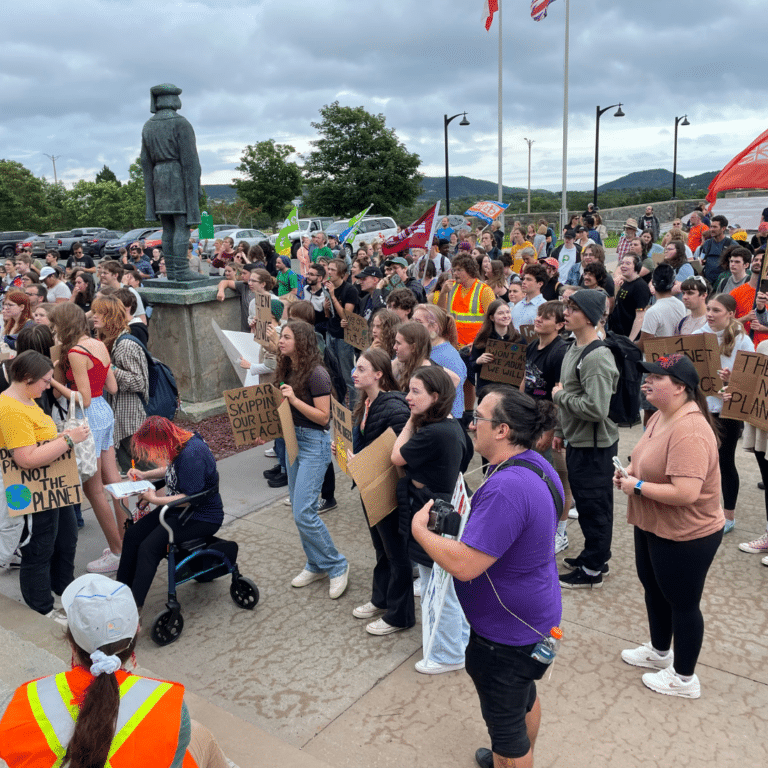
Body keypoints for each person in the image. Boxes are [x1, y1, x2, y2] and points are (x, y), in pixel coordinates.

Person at [411, 386, 562, 768]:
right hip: (534, 616)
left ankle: (512, 759)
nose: (471, 423)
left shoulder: (507, 488)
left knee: (507, 734)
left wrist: (421, 533)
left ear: (502, 431)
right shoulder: (536, 464)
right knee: (522, 696)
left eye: (479, 417)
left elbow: (465, 564)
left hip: (505, 632)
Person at [0, 572, 230, 768]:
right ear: (136, 632)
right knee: (201, 735)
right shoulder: (170, 710)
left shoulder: (24, 701)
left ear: (71, 641)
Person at [615, 354, 723, 699]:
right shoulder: (661, 416)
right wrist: (630, 473)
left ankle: (684, 678)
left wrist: (639, 488)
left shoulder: (690, 429)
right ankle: (660, 652)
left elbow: (686, 492)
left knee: (682, 602)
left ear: (679, 388)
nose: (647, 382)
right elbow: (643, 460)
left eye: (657, 378)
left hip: (687, 533)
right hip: (654, 523)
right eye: (648, 376)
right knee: (654, 587)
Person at [391, 366, 473, 674]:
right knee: (442, 585)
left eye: (415, 392)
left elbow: (396, 456)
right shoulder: (453, 427)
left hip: (434, 520)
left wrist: (411, 420)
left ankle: (448, 655)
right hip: (448, 515)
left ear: (435, 397)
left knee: (437, 588)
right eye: (408, 390)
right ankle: (458, 643)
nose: (408, 397)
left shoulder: (432, 431)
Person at [0, 351, 89, 616]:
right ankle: (42, 608)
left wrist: (61, 438)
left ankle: (63, 589)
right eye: (46, 380)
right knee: (39, 547)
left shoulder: (25, 398)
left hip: (51, 486)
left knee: (66, 538)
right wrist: (69, 440)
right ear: (27, 379)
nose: (49, 386)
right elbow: (25, 458)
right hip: (32, 489)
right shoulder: (11, 409)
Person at [274, 320, 349, 598]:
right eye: (281, 336)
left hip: (313, 445)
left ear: (302, 341)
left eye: (287, 337)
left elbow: (323, 417)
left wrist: (293, 399)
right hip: (292, 440)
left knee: (304, 511)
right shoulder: (287, 367)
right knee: (298, 509)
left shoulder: (317, 374)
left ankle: (337, 564)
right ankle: (315, 563)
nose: (281, 341)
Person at [116, 416, 223, 610]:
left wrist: (154, 500)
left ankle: (134, 607)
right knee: (132, 535)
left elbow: (190, 498)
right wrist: (145, 475)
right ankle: (121, 592)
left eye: (151, 448)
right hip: (179, 511)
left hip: (201, 516)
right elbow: (172, 470)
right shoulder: (180, 441)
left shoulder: (192, 454)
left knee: (150, 548)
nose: (150, 454)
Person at [49, 303, 125, 574]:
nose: (53, 329)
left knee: (93, 490)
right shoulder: (98, 344)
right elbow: (112, 386)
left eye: (55, 324)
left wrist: (54, 379)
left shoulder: (76, 352)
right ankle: (127, 541)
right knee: (114, 480)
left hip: (88, 417)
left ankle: (117, 552)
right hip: (105, 412)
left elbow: (83, 398)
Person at [552, 290, 619, 588]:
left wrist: (559, 396)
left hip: (595, 447)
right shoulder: (574, 347)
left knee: (595, 507)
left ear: (590, 316)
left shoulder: (597, 356)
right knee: (590, 505)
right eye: (567, 307)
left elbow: (596, 408)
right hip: (578, 441)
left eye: (574, 308)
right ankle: (593, 555)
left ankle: (593, 570)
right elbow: (570, 394)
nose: (566, 313)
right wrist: (559, 431)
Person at [348, 348, 414, 634]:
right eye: (355, 368)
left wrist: (363, 461)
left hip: (389, 492)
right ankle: (382, 598)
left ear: (378, 374)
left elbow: (405, 452)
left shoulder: (394, 408)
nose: (354, 373)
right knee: (381, 548)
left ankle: (400, 616)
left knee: (396, 553)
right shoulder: (367, 403)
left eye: (362, 369)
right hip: (370, 486)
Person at [693, 294, 754, 533]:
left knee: (725, 461)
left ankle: (728, 516)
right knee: (701, 461)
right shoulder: (698, 335)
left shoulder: (742, 340)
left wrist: (733, 380)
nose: (709, 314)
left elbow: (750, 380)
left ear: (730, 314)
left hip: (727, 411)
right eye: (708, 309)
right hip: (702, 407)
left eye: (716, 310)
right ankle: (703, 508)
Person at [140, 83, 206, 281]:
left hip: (158, 177)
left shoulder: (149, 125)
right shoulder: (181, 123)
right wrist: (195, 185)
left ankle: (173, 271)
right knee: (181, 224)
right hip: (178, 176)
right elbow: (190, 160)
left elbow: (145, 160)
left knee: (168, 227)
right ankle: (181, 271)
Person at [92, 294, 150, 473]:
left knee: (146, 467)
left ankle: (164, 499)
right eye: (94, 311)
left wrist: (110, 368)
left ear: (111, 316)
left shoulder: (125, 345)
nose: (94, 315)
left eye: (100, 312)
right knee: (132, 469)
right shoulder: (110, 341)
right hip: (122, 417)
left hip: (131, 418)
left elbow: (139, 382)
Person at [412, 304, 466, 418]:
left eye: (418, 322)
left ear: (433, 327)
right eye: (412, 320)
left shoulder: (449, 357)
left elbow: (452, 394)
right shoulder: (424, 348)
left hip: (446, 418)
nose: (412, 325)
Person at [467, 299, 516, 394]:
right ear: (492, 318)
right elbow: (472, 366)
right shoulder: (482, 339)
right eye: (501, 313)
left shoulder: (518, 339)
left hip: (510, 393)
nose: (506, 316)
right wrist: (478, 361)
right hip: (487, 390)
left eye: (508, 312)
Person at [610, 254, 651, 341]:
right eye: (622, 263)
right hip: (617, 334)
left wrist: (630, 340)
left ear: (636, 267)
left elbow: (640, 317)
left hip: (627, 337)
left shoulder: (640, 287)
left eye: (628, 263)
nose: (623, 266)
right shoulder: (626, 282)